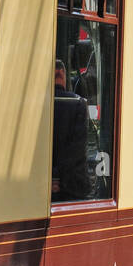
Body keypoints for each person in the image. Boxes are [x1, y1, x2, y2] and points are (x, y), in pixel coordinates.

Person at [52, 60, 91, 202]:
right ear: (63, 75)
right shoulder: (78, 103)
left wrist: (51, 176)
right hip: (72, 186)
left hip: (40, 183)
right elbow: (77, 149)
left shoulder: (35, 103)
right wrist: (59, 177)